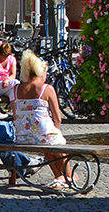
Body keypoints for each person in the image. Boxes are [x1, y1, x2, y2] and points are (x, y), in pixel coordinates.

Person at [13, 53, 70, 188]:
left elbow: (16, 114)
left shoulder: (17, 89)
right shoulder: (47, 89)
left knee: (47, 145)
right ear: (41, 72)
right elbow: (58, 118)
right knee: (56, 143)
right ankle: (69, 177)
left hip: (23, 136)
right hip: (42, 135)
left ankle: (59, 176)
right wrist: (55, 129)